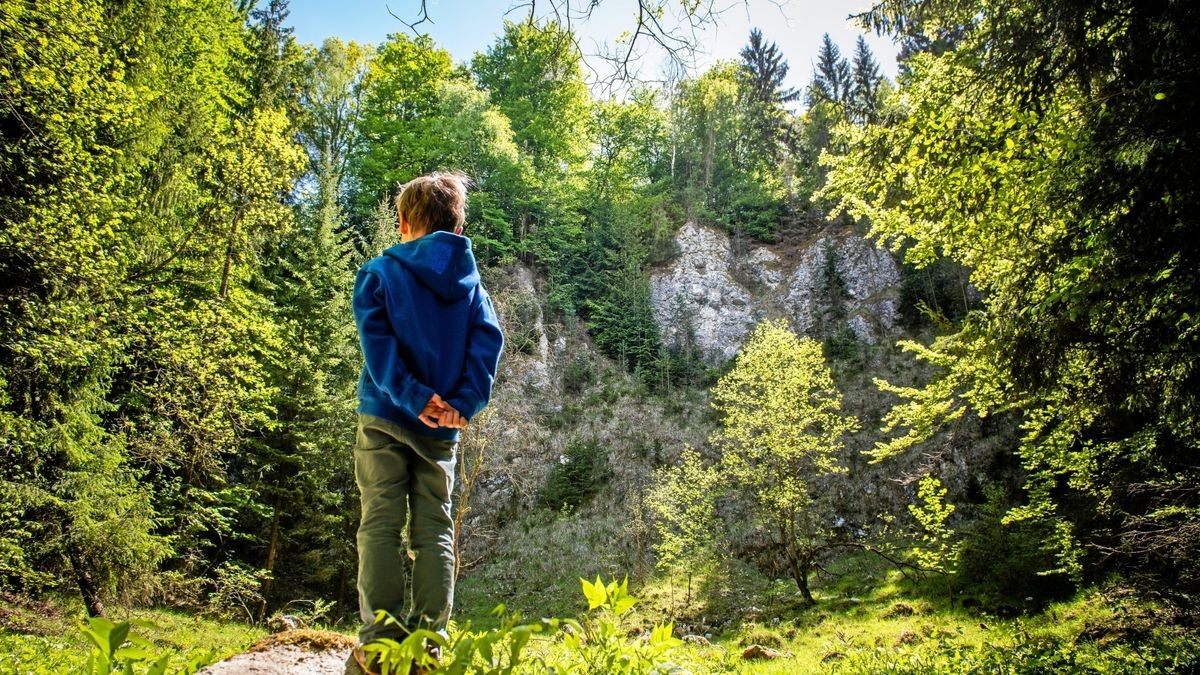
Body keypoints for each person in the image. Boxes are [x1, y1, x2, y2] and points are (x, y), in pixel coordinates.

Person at [348, 172, 504, 675]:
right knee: (434, 529)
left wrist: (414, 397)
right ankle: (428, 651)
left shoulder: (378, 273)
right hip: (442, 430)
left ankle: (378, 648)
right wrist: (462, 403)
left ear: (403, 222)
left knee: (380, 525)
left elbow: (379, 349)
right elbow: (488, 342)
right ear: (458, 227)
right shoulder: (471, 285)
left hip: (384, 418)